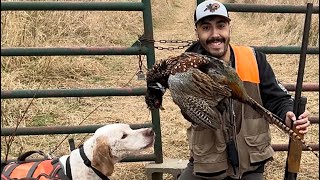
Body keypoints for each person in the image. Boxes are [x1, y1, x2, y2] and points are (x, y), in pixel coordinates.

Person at [178, 0, 311, 179]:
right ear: (197, 32)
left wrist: (288, 115)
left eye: (221, 25)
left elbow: (278, 98)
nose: (215, 34)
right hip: (208, 163)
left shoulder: (254, 59)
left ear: (229, 28)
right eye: (206, 27)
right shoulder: (186, 70)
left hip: (250, 163)